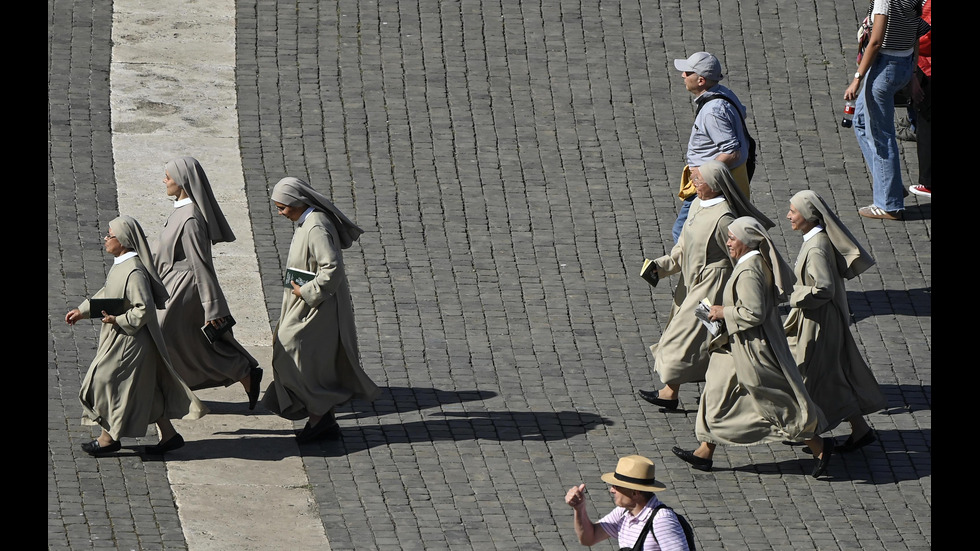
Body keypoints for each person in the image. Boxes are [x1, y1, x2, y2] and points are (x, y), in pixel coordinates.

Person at [672, 217, 833, 478]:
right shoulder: (750, 263)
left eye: (732, 238)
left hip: (751, 349)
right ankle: (705, 451)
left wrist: (723, 312)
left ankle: (819, 445)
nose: (728, 242)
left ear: (746, 241)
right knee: (714, 392)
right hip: (736, 345)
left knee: (773, 402)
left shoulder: (750, 270)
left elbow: (754, 313)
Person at [65, 215, 208, 456]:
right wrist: (82, 311)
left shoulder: (134, 272)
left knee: (105, 380)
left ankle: (108, 439)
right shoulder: (122, 265)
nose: (105, 239)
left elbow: (144, 308)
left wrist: (118, 320)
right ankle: (170, 435)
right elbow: (109, 294)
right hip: (123, 336)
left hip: (130, 341)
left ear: (123, 240)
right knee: (145, 388)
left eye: (110, 235)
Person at [638, 161, 774, 411]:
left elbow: (741, 255)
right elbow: (683, 247)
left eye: (697, 180)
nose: (693, 184)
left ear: (713, 185)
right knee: (706, 339)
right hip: (693, 284)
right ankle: (671, 392)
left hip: (711, 289)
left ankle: (727, 390)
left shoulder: (724, 219)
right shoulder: (698, 204)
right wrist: (661, 266)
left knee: (686, 337)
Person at [264, 177, 381, 442]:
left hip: (317, 306)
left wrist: (305, 292)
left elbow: (332, 268)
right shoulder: (307, 223)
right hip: (305, 301)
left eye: (283, 208)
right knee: (308, 356)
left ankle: (319, 412)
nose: (281, 214)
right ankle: (324, 419)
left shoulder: (316, 226)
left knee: (290, 348)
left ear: (297, 203)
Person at [152, 156, 263, 408]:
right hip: (173, 285)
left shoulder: (190, 219)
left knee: (164, 333)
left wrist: (213, 307)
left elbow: (201, 265)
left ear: (181, 181)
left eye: (168, 177)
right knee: (189, 342)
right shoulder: (181, 210)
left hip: (184, 289)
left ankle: (238, 371)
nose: (164, 181)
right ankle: (243, 373)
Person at [784, 190, 886, 452]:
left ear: (808, 215)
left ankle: (807, 430)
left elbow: (824, 289)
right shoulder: (815, 240)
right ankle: (858, 429)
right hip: (818, 318)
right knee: (828, 376)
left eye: (793, 211)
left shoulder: (816, 247)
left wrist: (793, 295)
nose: (788, 216)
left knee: (808, 373)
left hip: (819, 321)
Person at [846, 0, 930, 220]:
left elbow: (875, 42)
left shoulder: (885, 1)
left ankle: (889, 205)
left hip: (884, 68)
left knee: (881, 137)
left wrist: (857, 79)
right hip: (902, 65)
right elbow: (915, 37)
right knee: (862, 122)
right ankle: (890, 186)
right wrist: (911, 75)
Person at [671, 51, 752, 243]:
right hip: (720, 181)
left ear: (700, 81)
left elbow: (731, 151)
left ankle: (693, 271)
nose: (683, 75)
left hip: (710, 185)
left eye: (688, 73)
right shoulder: (724, 93)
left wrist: (703, 175)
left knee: (683, 232)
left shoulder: (712, 112)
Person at [565, 455, 690, 550]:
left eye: (617, 486)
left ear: (635, 493)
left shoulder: (662, 521)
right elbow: (589, 538)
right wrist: (579, 508)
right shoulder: (623, 512)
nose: (611, 490)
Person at [907, 0, 931, 198]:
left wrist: (904, 38)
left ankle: (928, 182)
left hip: (927, 67)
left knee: (927, 124)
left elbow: (926, 38)